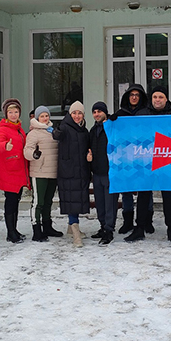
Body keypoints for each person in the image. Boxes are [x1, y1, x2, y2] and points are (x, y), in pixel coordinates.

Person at [125, 85, 171, 244]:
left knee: (169, 198)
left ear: (166, 99)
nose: (157, 100)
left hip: (166, 163)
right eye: (155, 97)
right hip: (146, 162)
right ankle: (139, 229)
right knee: (143, 196)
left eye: (161, 97)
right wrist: (116, 121)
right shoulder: (142, 114)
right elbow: (132, 133)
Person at [111, 84, 151, 235]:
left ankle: (147, 220)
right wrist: (112, 121)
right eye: (131, 95)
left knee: (145, 189)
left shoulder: (147, 113)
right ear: (127, 97)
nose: (134, 97)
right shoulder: (120, 114)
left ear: (141, 97)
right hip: (125, 156)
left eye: (137, 95)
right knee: (126, 188)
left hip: (144, 155)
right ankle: (127, 221)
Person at [52, 100, 90, 248]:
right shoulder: (65, 127)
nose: (77, 116)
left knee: (76, 201)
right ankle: (75, 233)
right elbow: (57, 134)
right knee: (72, 202)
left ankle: (70, 227)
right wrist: (57, 131)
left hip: (81, 171)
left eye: (80, 113)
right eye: (74, 113)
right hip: (68, 171)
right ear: (70, 114)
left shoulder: (84, 131)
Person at [23, 105, 63, 242]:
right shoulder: (34, 133)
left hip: (53, 171)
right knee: (38, 202)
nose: (45, 118)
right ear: (37, 118)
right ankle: (36, 229)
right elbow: (27, 150)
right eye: (42, 116)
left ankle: (47, 226)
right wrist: (34, 154)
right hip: (39, 172)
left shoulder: (53, 131)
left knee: (48, 201)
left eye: (46, 116)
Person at [0, 98, 30, 244]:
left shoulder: (19, 128)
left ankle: (14, 230)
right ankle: (10, 233)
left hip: (19, 169)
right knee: (10, 201)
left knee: (16, 201)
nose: (13, 115)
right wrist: (5, 146)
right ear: (6, 114)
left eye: (16, 112)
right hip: (9, 171)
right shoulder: (3, 128)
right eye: (10, 112)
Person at [88, 101, 118, 245]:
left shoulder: (112, 127)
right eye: (94, 112)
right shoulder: (93, 130)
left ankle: (109, 230)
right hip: (97, 171)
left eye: (99, 111)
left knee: (110, 203)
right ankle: (102, 226)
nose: (97, 114)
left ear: (105, 112)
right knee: (100, 202)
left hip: (110, 171)